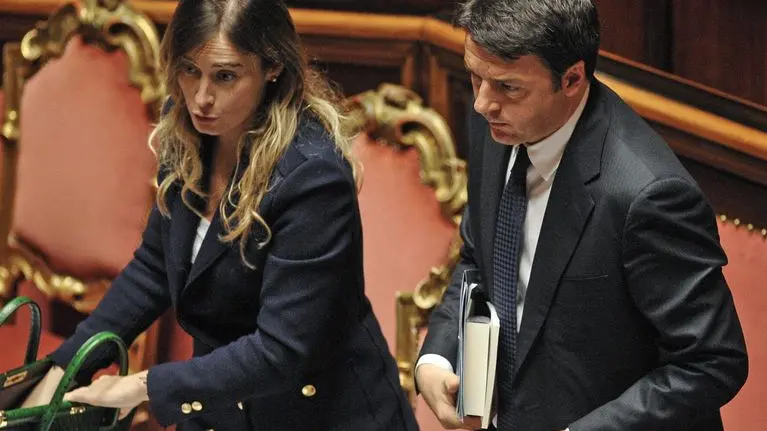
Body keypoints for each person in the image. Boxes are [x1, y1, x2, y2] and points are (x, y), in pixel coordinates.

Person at [20, 0, 418, 430]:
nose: (202, 97)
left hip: (319, 416)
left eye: (225, 76)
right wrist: (66, 368)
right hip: (220, 408)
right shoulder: (186, 126)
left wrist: (144, 386)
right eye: (190, 71)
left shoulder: (313, 175)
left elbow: (282, 348)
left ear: (273, 68)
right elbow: (156, 266)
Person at [415, 1, 748, 430]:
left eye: (507, 87)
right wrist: (437, 356)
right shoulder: (497, 124)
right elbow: (477, 259)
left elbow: (711, 361)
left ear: (571, 78)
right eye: (475, 77)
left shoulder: (648, 195)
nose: (482, 102)